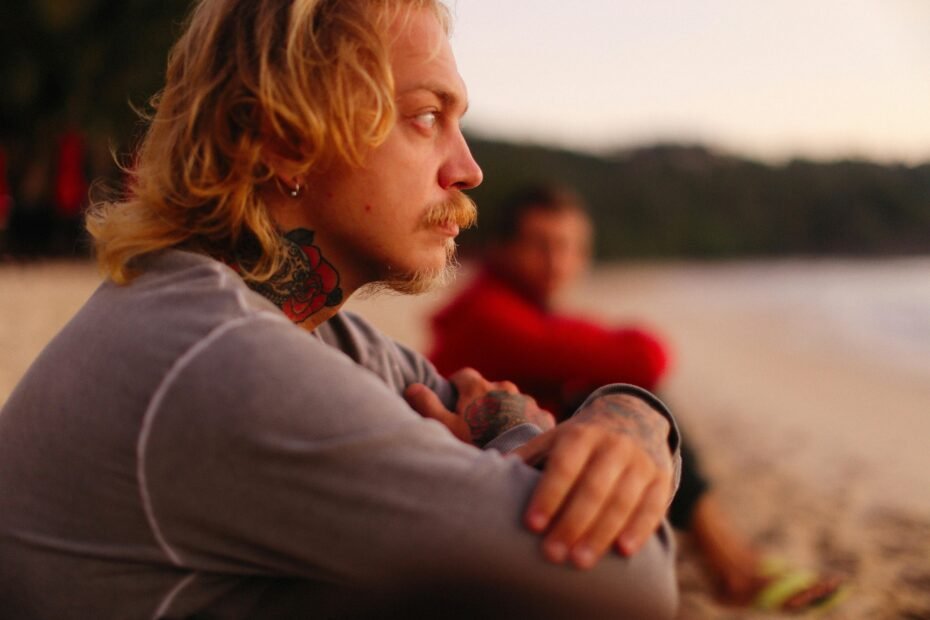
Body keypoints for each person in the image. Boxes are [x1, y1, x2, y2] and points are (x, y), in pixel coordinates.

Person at [0, 2, 684, 618]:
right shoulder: (223, 359)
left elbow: (550, 452)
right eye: (425, 117)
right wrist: (512, 432)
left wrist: (634, 419)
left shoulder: (312, 330)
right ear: (285, 138)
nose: (469, 169)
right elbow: (634, 582)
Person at [429, 184, 846, 612]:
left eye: (570, 247)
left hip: (509, 452)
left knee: (615, 400)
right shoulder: (489, 316)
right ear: (502, 249)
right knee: (636, 400)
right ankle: (729, 565)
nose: (558, 262)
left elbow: (596, 347)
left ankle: (733, 559)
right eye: (540, 246)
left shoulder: (510, 308)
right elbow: (647, 355)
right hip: (485, 474)